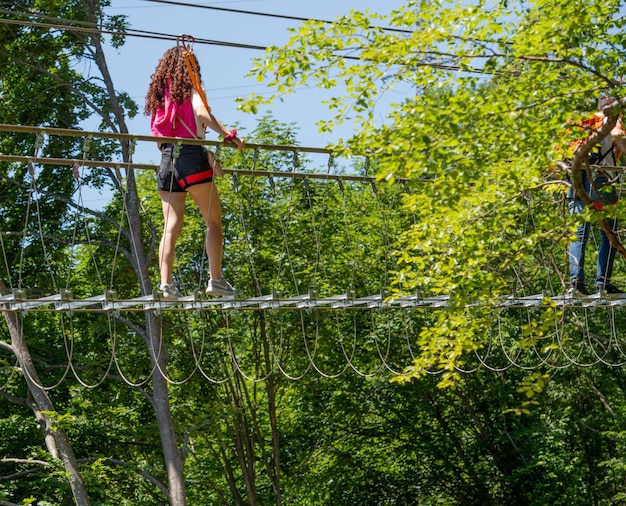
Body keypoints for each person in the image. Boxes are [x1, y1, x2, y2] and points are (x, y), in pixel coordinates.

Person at [144, 46, 245, 300]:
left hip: (166, 161)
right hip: (191, 157)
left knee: (171, 226)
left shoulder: (159, 100)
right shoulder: (190, 90)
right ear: (189, 68)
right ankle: (216, 280)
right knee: (213, 220)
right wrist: (228, 136)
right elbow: (202, 113)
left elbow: (158, 140)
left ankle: (166, 284)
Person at [568, 95, 626, 296]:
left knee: (578, 234)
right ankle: (603, 283)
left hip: (575, 181)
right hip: (602, 180)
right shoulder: (612, 120)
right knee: (609, 234)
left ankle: (576, 283)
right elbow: (619, 137)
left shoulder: (579, 124)